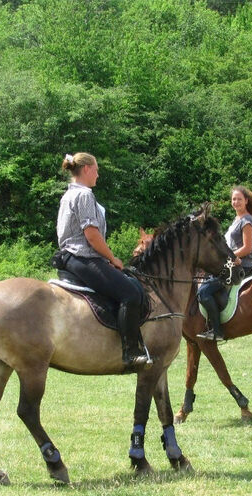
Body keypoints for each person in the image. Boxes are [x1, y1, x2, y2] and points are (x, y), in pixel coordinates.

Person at [55, 152, 152, 368]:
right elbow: (91, 234)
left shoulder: (68, 195)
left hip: (70, 258)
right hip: (82, 257)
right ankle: (131, 352)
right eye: (97, 170)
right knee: (131, 293)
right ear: (87, 169)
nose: (98, 175)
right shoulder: (84, 195)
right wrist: (112, 258)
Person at [196, 186, 252, 341]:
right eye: (233, 199)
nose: (235, 202)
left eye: (239, 199)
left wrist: (230, 257)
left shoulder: (246, 220)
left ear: (246, 201)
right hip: (230, 264)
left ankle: (217, 331)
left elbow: (247, 247)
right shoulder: (237, 219)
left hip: (241, 265)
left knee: (204, 292)